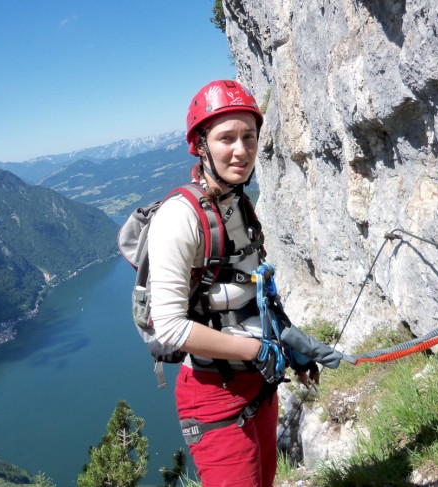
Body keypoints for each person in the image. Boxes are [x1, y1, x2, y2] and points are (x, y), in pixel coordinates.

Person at [147, 80, 318, 486]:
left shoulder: (240, 205)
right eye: (226, 138)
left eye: (249, 136)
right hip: (212, 393)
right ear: (201, 146)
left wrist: (291, 343)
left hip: (258, 382)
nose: (241, 150)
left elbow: (255, 293)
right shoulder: (179, 218)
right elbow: (169, 328)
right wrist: (258, 349)